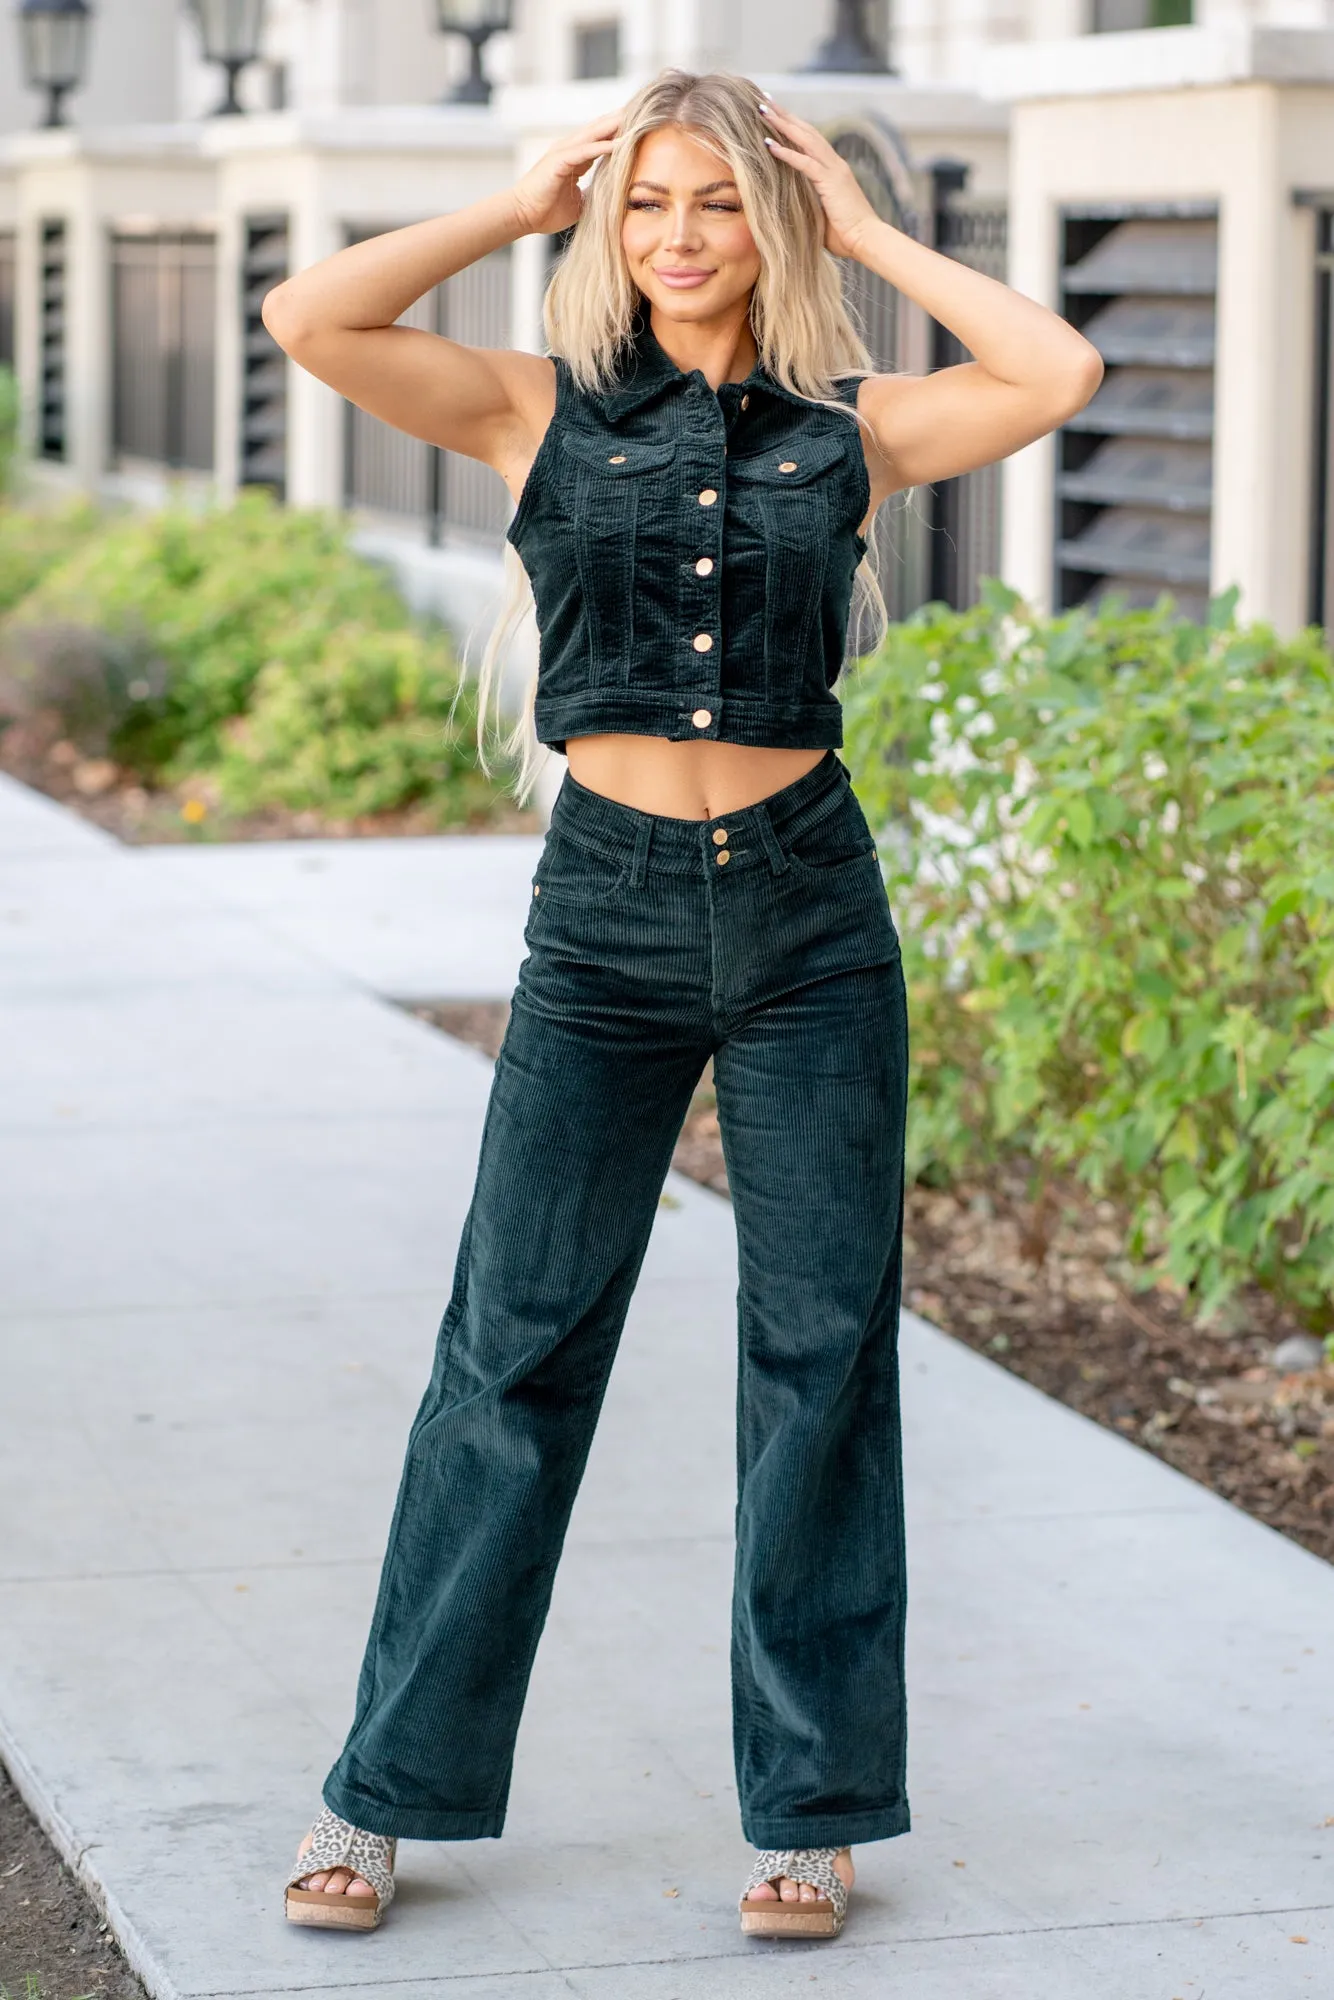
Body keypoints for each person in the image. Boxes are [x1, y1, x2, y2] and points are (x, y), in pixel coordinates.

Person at [263, 68, 1101, 1943]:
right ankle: (379, 1795)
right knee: (511, 1356)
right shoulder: (528, 410)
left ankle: (804, 1818)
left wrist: (870, 231)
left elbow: (1051, 376)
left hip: (811, 914)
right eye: (647, 203)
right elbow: (308, 318)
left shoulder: (850, 429)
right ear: (607, 223)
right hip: (605, 924)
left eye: (717, 202)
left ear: (767, 225)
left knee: (818, 1362)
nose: (680, 236)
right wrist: (517, 200)